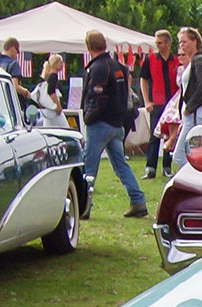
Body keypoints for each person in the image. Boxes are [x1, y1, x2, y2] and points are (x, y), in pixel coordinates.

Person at [83, 29, 147, 218]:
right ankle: (138, 201)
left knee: (89, 167)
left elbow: (97, 96)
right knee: (121, 166)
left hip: (100, 124)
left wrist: (88, 117)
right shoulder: (117, 66)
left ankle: (84, 205)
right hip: (117, 123)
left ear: (88, 47)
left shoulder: (98, 68)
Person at [136, 29, 179, 179]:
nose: (157, 46)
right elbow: (143, 79)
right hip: (157, 102)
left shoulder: (176, 60)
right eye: (156, 43)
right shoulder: (151, 59)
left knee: (170, 135)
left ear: (168, 43)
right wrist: (147, 100)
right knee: (154, 135)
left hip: (172, 104)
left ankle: (166, 167)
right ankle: (150, 167)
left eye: (160, 43)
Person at [172, 26, 202, 172]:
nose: (181, 45)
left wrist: (189, 107)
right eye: (180, 43)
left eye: (184, 42)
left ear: (194, 41)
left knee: (180, 155)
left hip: (197, 113)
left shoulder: (199, 60)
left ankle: (193, 179)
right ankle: (195, 177)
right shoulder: (194, 61)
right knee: (188, 153)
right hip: (193, 113)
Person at [0, 37, 37, 114]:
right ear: (12, 49)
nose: (17, 55)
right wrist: (25, 92)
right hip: (9, 105)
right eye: (17, 51)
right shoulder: (13, 64)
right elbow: (15, 87)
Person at [32, 53, 70, 128]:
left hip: (47, 109)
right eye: (60, 62)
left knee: (49, 129)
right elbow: (51, 92)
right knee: (64, 128)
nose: (62, 65)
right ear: (55, 63)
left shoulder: (48, 76)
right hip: (53, 109)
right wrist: (58, 106)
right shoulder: (53, 76)